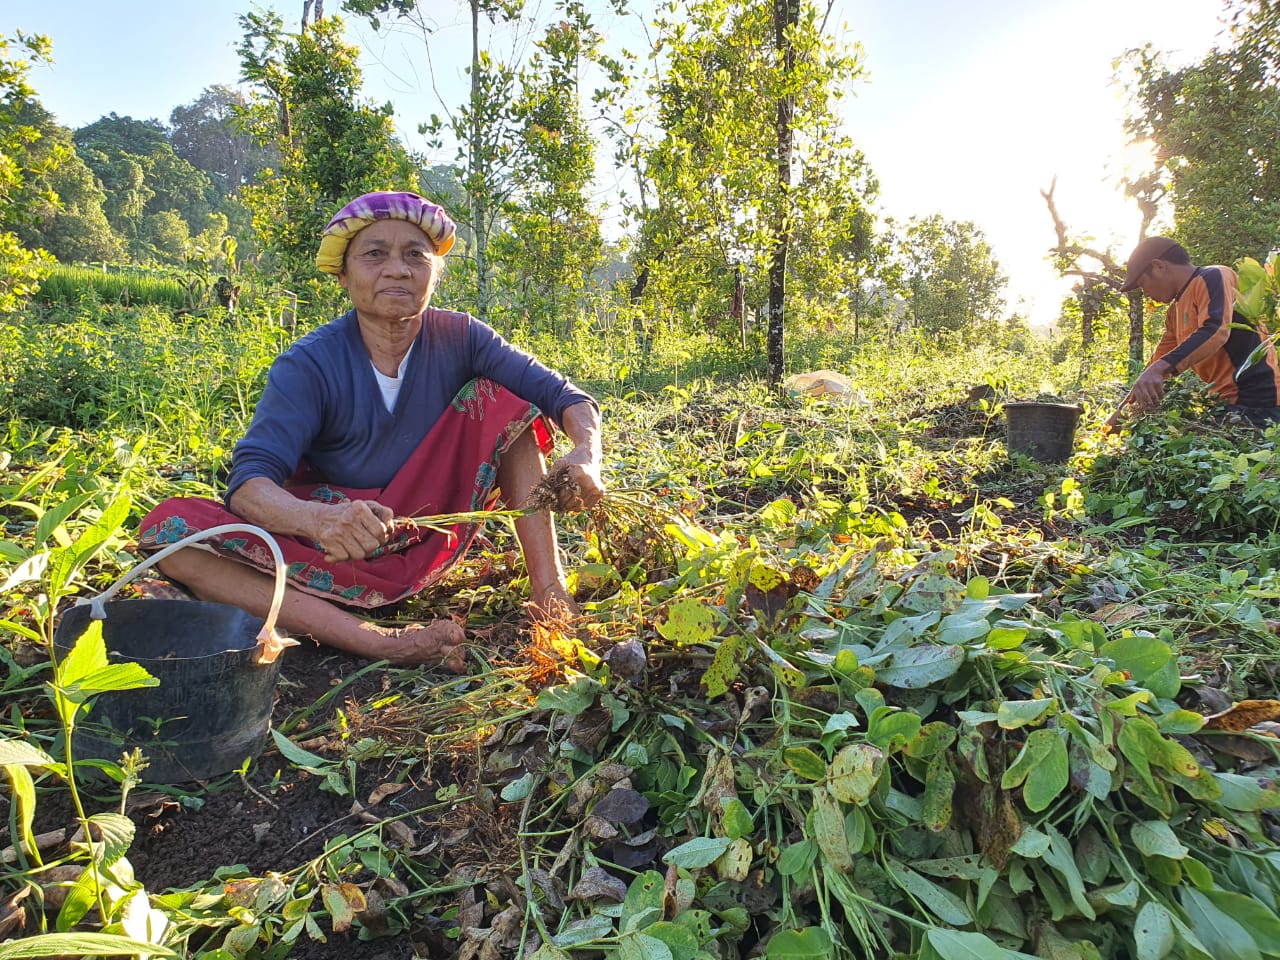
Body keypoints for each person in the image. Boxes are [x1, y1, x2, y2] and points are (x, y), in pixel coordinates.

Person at [136, 191, 605, 669]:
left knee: (503, 401)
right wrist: (319, 521)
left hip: (425, 532)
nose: (397, 269)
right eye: (375, 254)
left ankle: (550, 594)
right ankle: (378, 641)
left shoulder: (463, 337)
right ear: (343, 275)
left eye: (415, 256)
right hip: (334, 544)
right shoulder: (308, 363)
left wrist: (587, 452)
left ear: (434, 274)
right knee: (172, 537)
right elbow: (250, 484)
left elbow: (568, 398)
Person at [1106, 236, 1280, 429]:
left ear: (1158, 266)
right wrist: (1119, 416)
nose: (1145, 293)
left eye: (1142, 283)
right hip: (1224, 406)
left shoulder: (1214, 276)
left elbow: (1216, 329)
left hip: (1260, 402)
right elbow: (1156, 365)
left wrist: (1159, 369)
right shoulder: (1174, 312)